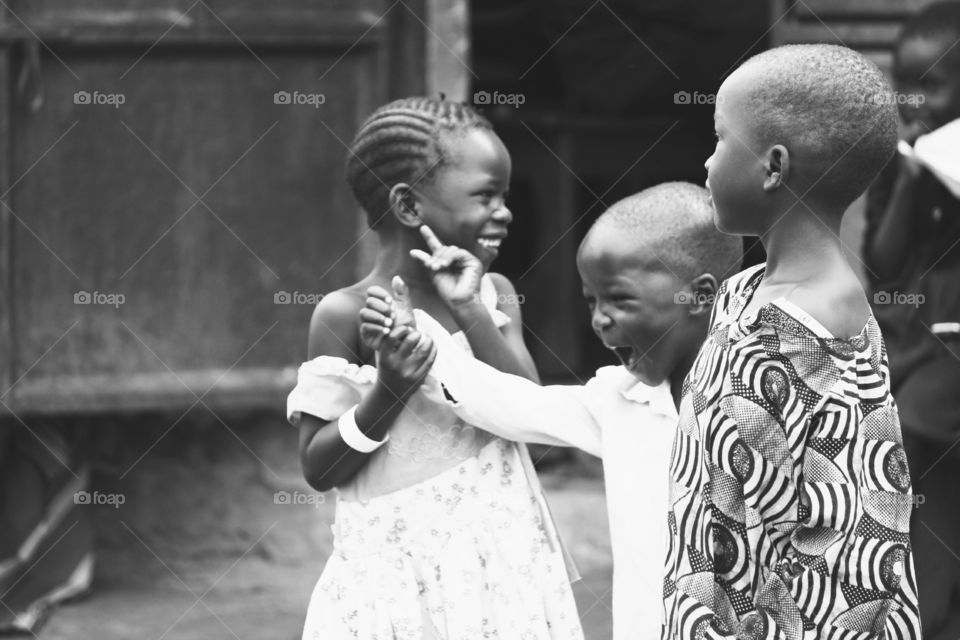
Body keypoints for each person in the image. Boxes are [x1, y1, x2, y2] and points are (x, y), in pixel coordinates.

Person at [360, 181, 743, 639]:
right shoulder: (619, 400)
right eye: (591, 301)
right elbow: (509, 403)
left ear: (701, 296)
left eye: (620, 299)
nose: (600, 319)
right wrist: (431, 331)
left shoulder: (760, 400)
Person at [285, 96, 583, 640]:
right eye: (485, 195)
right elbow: (318, 469)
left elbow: (539, 433)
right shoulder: (347, 314)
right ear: (409, 206)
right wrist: (390, 391)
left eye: (505, 195)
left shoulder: (494, 296)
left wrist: (473, 313)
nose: (505, 211)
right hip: (398, 582)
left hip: (504, 566)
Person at [660, 44, 922, 637]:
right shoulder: (745, 293)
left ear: (773, 166)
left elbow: (862, 540)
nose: (705, 163)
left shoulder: (809, 327)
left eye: (720, 139)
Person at [863, 4, 960, 636]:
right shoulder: (900, 160)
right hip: (909, 350)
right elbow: (884, 263)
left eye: (933, 83)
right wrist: (909, 173)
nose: (914, 99)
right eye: (904, 83)